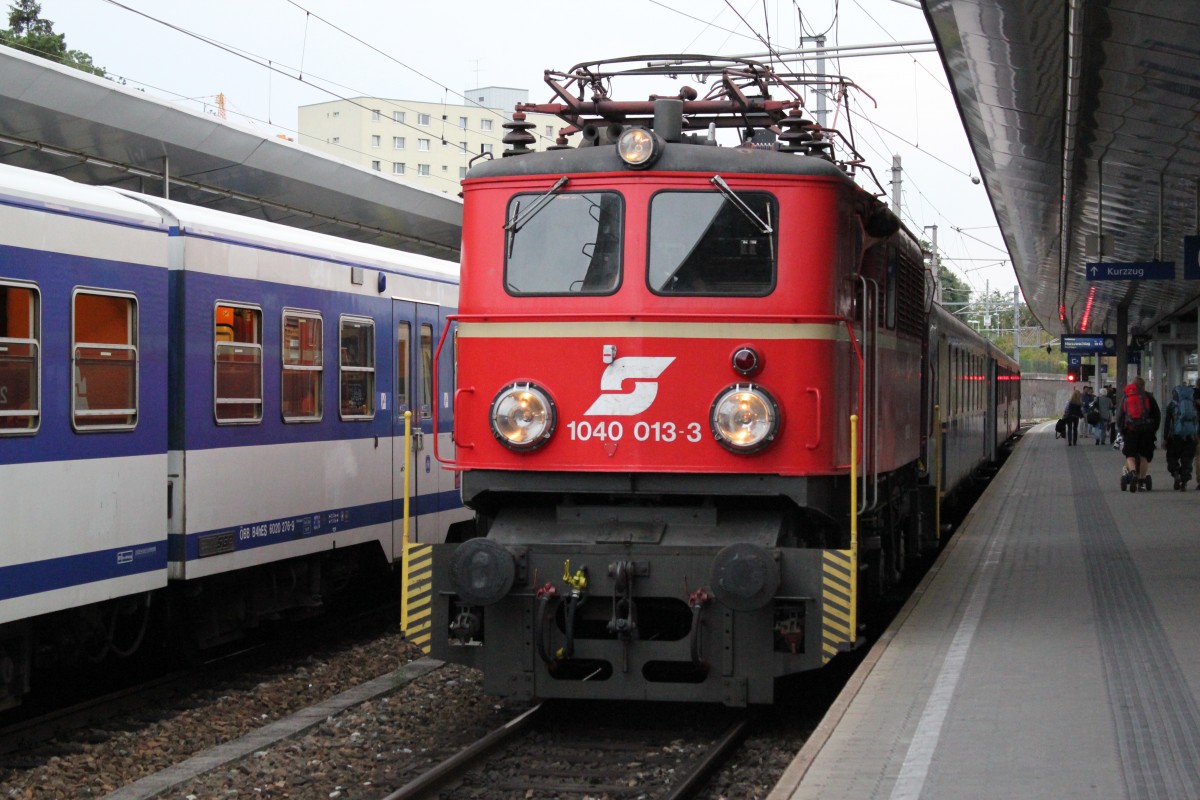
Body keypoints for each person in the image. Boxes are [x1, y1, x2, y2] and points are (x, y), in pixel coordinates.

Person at [1116, 376, 1161, 492]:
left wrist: (1121, 430)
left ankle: (1132, 472)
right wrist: (1154, 429)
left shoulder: (1127, 397)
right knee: (1144, 456)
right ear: (1143, 385)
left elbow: (1120, 415)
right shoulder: (1149, 397)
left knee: (1130, 455)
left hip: (1131, 431)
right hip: (1147, 431)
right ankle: (1142, 479)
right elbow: (1157, 414)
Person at [1163, 383, 1199, 490]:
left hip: (1175, 437)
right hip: (1190, 436)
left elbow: (1167, 423)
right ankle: (1184, 480)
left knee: (1172, 457)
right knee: (1187, 459)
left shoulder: (1172, 405)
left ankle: (1175, 473)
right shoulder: (1194, 404)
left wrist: (1165, 438)